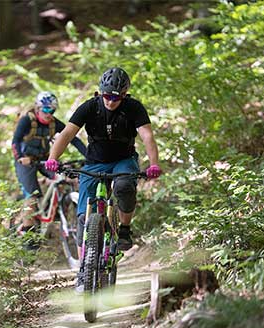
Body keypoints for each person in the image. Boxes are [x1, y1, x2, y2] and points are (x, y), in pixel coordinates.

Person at [45, 67, 161, 288]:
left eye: (115, 97)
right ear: (100, 93)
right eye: (106, 96)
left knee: (125, 186)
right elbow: (68, 133)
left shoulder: (133, 108)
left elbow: (147, 135)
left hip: (123, 160)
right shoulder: (90, 107)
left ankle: (124, 230)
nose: (110, 101)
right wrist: (53, 157)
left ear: (124, 95)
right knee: (82, 219)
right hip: (94, 162)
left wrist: (154, 164)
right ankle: (83, 271)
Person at [12, 91, 87, 248]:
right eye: (45, 109)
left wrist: (89, 156)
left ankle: (65, 209)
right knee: (32, 195)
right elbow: (16, 141)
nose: (48, 113)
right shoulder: (27, 121)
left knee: (67, 175)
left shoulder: (54, 123)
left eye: (52, 110)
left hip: (45, 160)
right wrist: (20, 157)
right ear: (38, 108)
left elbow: (73, 138)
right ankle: (28, 232)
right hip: (26, 162)